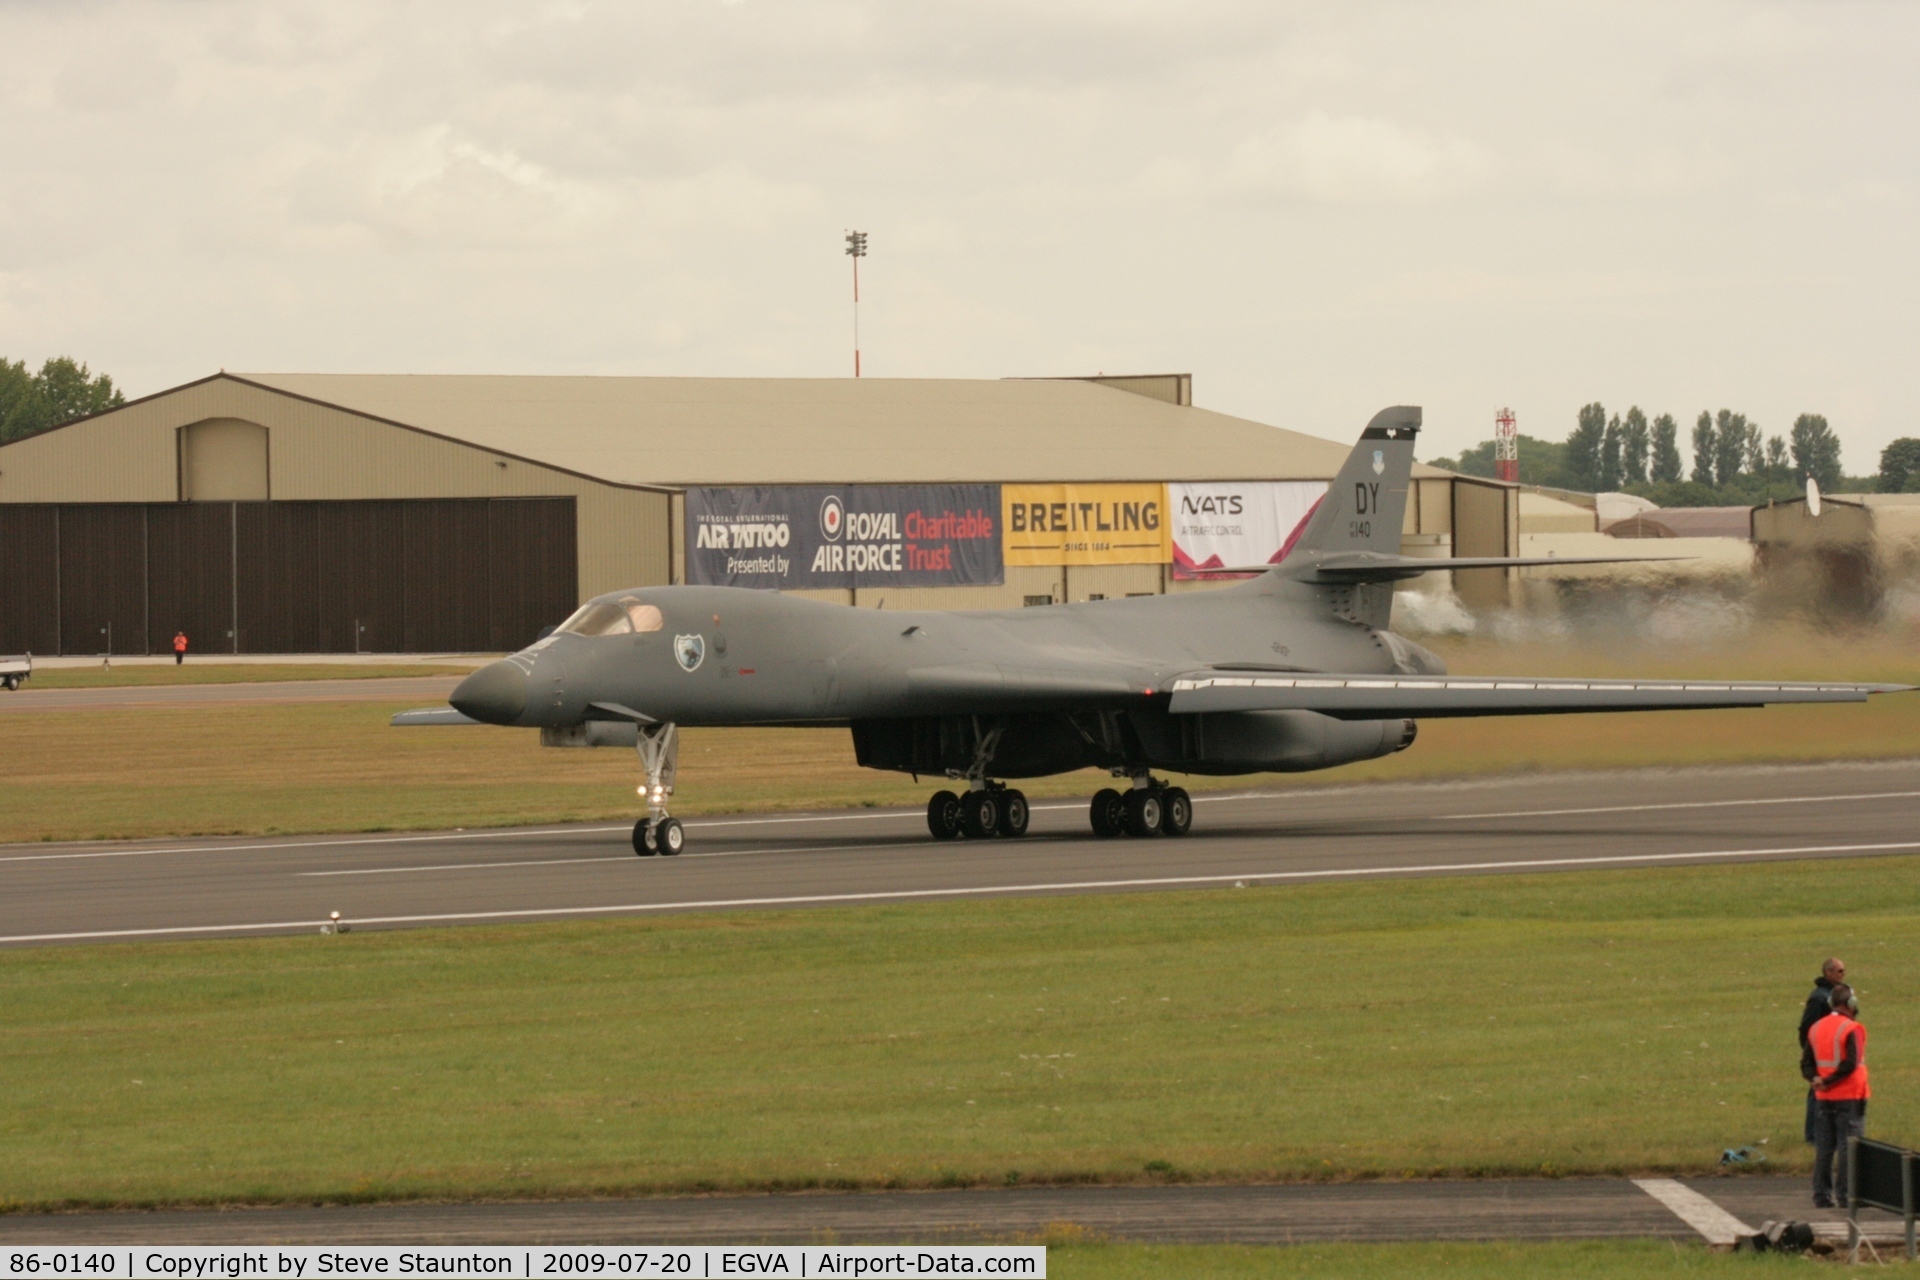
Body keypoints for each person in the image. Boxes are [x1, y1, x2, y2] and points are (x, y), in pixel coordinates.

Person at [1804, 982, 1869, 1209]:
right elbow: (1851, 1062)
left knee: (1824, 1148)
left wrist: (1817, 1081)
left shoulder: (1816, 1028)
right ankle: (1846, 1195)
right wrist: (1829, 1080)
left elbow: (1807, 1063)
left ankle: (1821, 1195)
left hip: (1823, 1098)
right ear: (1850, 1004)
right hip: (1850, 1096)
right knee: (1848, 1147)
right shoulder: (1853, 1028)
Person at [1800, 958, 1845, 1143]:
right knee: (1817, 1092)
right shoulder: (1819, 998)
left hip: (1830, 1052)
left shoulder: (1834, 994)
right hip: (1821, 1054)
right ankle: (1812, 1135)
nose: (1843, 974)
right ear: (1828, 972)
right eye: (1840, 971)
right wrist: (1811, 1053)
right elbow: (1807, 1028)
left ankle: (1823, 1133)